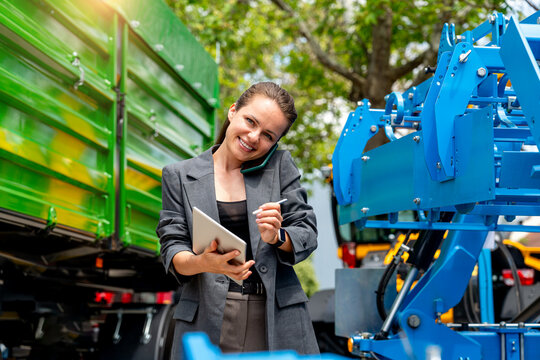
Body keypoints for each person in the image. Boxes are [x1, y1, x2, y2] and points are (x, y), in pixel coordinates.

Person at [156, 82, 318, 358]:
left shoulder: (280, 166)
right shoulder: (178, 175)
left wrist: (277, 236)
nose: (254, 137)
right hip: (206, 314)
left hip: (274, 317)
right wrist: (202, 263)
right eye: (250, 121)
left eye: (268, 135)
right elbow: (172, 246)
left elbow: (307, 232)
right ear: (233, 111)